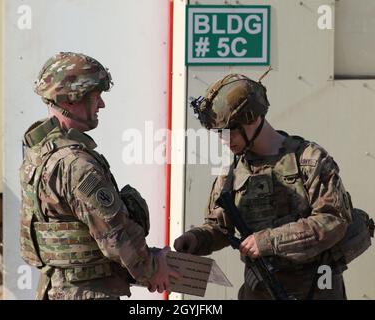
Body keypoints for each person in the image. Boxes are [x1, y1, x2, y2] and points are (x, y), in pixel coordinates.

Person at [174, 74, 352, 300]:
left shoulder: (309, 159)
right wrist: (197, 238)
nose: (224, 140)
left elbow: (333, 221)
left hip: (316, 290)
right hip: (259, 292)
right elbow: (220, 227)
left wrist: (268, 241)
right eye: (219, 133)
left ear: (251, 118)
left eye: (228, 131)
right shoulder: (231, 173)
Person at [19, 52, 179, 300]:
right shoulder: (77, 166)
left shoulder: (39, 153)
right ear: (72, 99)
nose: (101, 105)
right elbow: (115, 238)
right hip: (87, 292)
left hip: (56, 289)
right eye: (96, 97)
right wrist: (153, 268)